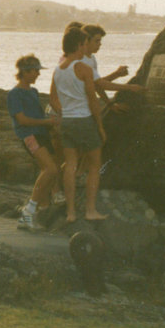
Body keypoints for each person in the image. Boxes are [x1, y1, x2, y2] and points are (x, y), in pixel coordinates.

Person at [50, 27, 108, 222]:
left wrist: (64, 112)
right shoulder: (84, 69)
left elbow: (53, 99)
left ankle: (70, 213)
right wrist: (99, 126)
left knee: (70, 165)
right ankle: (90, 211)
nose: (85, 48)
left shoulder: (58, 70)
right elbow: (93, 100)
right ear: (78, 45)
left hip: (67, 121)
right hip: (84, 120)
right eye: (84, 44)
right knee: (94, 165)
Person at [7, 54, 62, 231]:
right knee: (50, 169)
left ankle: (43, 209)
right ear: (25, 72)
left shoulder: (33, 92)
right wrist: (46, 122)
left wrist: (50, 124)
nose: (38, 74)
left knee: (50, 170)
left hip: (42, 134)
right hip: (30, 136)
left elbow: (37, 115)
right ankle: (27, 214)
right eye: (35, 71)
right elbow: (22, 120)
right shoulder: (15, 94)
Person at [80, 23, 146, 111]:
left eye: (100, 41)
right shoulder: (81, 60)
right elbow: (101, 84)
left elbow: (97, 85)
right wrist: (130, 87)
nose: (100, 44)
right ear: (86, 41)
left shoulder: (91, 58)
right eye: (97, 41)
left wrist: (109, 104)